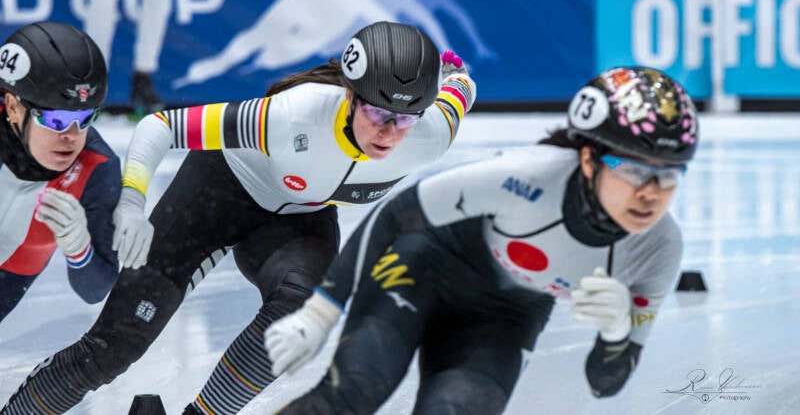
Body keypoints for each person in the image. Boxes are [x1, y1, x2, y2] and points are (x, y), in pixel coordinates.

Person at [1, 21, 476, 415]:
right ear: (350, 95)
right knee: (115, 347)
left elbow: (460, 89)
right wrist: (132, 201)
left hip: (298, 223)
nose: (390, 133)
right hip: (217, 195)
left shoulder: (429, 135)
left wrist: (453, 77)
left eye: (406, 117)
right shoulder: (290, 116)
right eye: (377, 112)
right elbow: (160, 126)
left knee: (303, 308)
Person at [265, 66, 698, 414]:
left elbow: (606, 384)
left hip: (507, 316)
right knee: (349, 397)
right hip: (423, 268)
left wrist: (618, 331)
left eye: (669, 174)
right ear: (589, 159)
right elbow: (397, 213)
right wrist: (320, 314)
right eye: (635, 169)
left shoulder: (658, 250)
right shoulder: (529, 175)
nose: (651, 193)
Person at [0, 21, 120, 325]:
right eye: (56, 119)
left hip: (12, 269)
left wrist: (80, 249)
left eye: (85, 117)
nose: (71, 134)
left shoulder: (96, 167)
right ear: (13, 106)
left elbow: (95, 290)